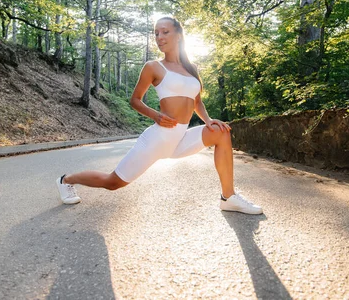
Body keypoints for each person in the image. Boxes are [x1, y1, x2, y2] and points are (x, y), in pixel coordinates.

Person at [56, 16, 262, 214]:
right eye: (156, 33)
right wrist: (156, 116)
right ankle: (66, 180)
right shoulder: (154, 67)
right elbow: (135, 100)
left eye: (165, 32)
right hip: (158, 138)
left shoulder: (192, 69)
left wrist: (208, 121)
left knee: (221, 132)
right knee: (113, 182)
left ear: (179, 35)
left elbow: (196, 102)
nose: (159, 37)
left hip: (181, 138)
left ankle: (229, 197)